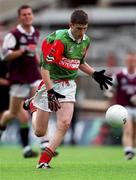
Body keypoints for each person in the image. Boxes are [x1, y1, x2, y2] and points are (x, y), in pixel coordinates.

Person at [26, 9, 112, 169]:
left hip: (68, 84)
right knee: (39, 131)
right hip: (50, 81)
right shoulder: (60, 41)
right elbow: (44, 69)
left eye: (85, 28)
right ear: (70, 25)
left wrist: (94, 74)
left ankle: (43, 161)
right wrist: (50, 91)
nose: (82, 32)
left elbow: (79, 62)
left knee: (65, 123)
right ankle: (33, 107)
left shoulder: (86, 40)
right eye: (78, 28)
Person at [0, 5, 42, 158]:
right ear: (19, 17)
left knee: (39, 103)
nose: (27, 16)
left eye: (29, 14)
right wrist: (23, 50)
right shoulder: (13, 36)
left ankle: (42, 143)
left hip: (31, 78)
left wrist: (41, 66)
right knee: (12, 114)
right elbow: (6, 55)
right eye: (24, 14)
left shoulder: (35, 33)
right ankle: (2, 127)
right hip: (14, 83)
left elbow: (34, 53)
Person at [106, 52, 136, 160]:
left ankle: (132, 151)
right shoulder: (120, 75)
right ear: (126, 62)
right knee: (128, 129)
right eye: (130, 61)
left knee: (135, 133)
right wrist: (109, 93)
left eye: (134, 61)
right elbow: (111, 87)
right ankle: (128, 151)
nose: (132, 63)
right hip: (123, 108)